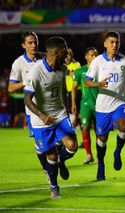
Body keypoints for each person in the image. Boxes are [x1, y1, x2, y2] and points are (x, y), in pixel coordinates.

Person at [24, 36, 78, 199]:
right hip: (41, 120)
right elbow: (27, 99)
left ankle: (61, 161)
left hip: (59, 114)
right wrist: (42, 115)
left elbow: (62, 90)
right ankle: (54, 187)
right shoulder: (36, 71)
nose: (68, 53)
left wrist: (66, 112)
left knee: (73, 145)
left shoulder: (62, 68)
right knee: (51, 156)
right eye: (65, 49)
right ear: (55, 52)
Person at [86, 31, 125, 180]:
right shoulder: (97, 61)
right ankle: (101, 164)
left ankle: (117, 151)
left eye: (117, 42)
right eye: (111, 42)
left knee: (123, 125)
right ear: (105, 44)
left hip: (120, 102)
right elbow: (87, 81)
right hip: (103, 106)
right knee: (101, 139)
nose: (115, 45)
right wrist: (99, 84)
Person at [7, 31, 50, 183]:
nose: (33, 45)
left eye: (35, 42)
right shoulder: (18, 63)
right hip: (33, 111)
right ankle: (47, 168)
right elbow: (11, 88)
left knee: (61, 142)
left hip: (52, 106)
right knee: (41, 147)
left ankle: (58, 164)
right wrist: (25, 82)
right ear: (23, 45)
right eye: (30, 43)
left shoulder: (45, 58)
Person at [71, 47, 98, 164]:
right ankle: (89, 155)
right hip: (85, 104)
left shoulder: (101, 69)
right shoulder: (80, 71)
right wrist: (73, 103)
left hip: (100, 104)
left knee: (99, 131)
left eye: (96, 55)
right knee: (85, 127)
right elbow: (74, 88)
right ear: (86, 57)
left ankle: (99, 155)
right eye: (92, 55)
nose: (94, 57)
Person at [65, 48, 81, 128]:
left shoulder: (76, 64)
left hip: (75, 91)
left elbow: (77, 74)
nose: (67, 57)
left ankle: (73, 125)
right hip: (66, 91)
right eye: (66, 55)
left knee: (74, 109)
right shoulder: (62, 65)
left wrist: (70, 72)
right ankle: (74, 124)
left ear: (72, 56)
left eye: (69, 55)